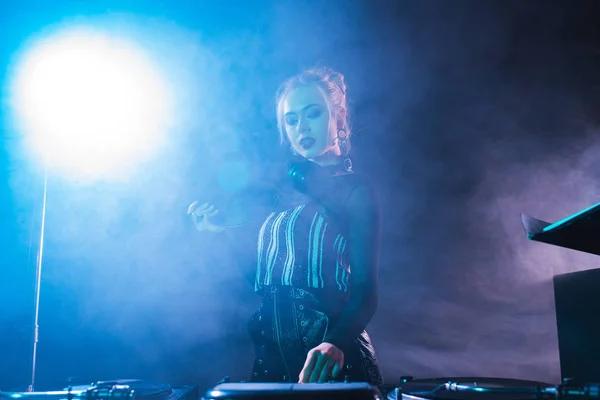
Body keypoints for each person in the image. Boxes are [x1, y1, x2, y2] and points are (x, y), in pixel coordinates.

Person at [187, 67, 384, 384]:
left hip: (331, 364)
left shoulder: (355, 190)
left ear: (339, 119)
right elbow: (263, 281)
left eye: (313, 113)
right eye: (291, 119)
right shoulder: (281, 198)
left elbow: (366, 291)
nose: (301, 126)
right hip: (272, 363)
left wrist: (336, 342)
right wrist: (219, 233)